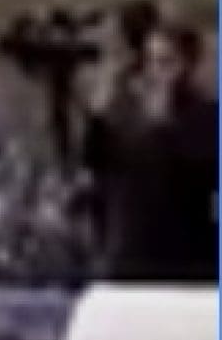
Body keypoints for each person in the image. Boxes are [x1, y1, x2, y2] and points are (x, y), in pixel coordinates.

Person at [83, 20, 218, 281]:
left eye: (166, 62)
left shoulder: (206, 116)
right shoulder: (126, 114)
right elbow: (97, 163)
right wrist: (98, 117)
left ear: (187, 65)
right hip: (130, 255)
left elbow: (202, 173)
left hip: (185, 258)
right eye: (151, 61)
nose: (156, 72)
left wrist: (164, 129)